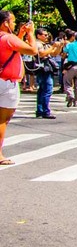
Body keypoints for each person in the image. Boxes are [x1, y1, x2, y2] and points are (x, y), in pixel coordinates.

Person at [0, 11, 39, 164]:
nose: (15, 24)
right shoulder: (8, 38)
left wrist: (20, 34)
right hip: (7, 83)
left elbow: (13, 49)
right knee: (2, 120)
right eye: (13, 21)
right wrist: (31, 34)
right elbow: (33, 50)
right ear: (5, 23)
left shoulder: (7, 39)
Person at [34, 28, 65, 119]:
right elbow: (41, 54)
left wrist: (59, 46)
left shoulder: (45, 44)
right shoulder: (38, 44)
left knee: (42, 90)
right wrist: (53, 46)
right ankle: (45, 111)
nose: (47, 36)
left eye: (47, 35)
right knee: (47, 89)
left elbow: (53, 53)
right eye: (44, 35)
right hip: (43, 68)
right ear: (38, 35)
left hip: (45, 67)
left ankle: (40, 110)